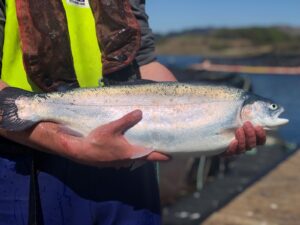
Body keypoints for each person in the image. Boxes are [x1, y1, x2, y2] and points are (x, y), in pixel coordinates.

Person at [0, 0, 266, 225]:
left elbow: (146, 64)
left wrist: (201, 127)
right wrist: (68, 143)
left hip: (131, 169)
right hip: (24, 162)